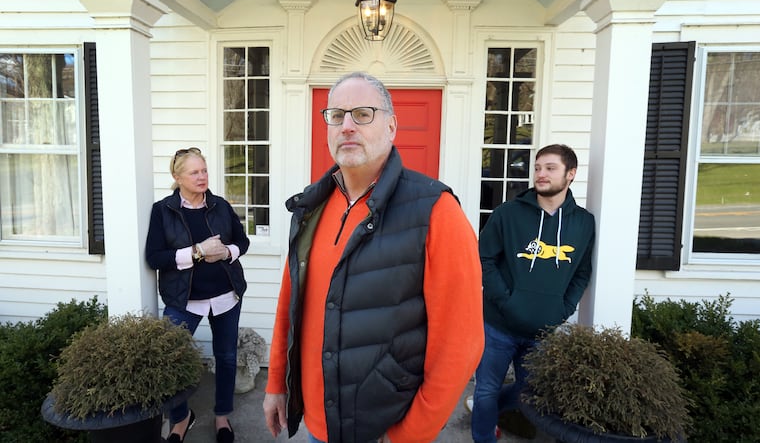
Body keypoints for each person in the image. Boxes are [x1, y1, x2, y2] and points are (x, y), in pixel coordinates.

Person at [263, 72, 485, 443]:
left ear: (392, 125)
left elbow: (460, 347)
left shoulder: (437, 211)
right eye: (336, 115)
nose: (347, 125)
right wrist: (276, 383)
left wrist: (409, 436)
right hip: (318, 424)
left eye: (363, 114)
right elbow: (291, 304)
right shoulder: (312, 206)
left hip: (383, 429)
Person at [471, 144, 595, 443]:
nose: (541, 174)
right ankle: (484, 435)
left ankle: (487, 412)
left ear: (570, 174)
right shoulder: (507, 213)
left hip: (544, 330)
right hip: (498, 326)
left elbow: (581, 272)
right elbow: (483, 258)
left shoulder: (583, 223)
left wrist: (563, 309)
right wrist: (505, 300)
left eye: (550, 168)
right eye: (538, 167)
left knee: (531, 394)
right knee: (485, 388)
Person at [145, 147, 250, 443]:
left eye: (204, 170)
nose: (202, 176)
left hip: (226, 296)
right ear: (177, 177)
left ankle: (222, 416)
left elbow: (242, 241)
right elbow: (155, 257)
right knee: (171, 359)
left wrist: (226, 252)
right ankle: (181, 418)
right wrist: (197, 252)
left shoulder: (220, 205)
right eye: (194, 172)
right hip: (183, 300)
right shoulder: (163, 211)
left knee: (227, 357)